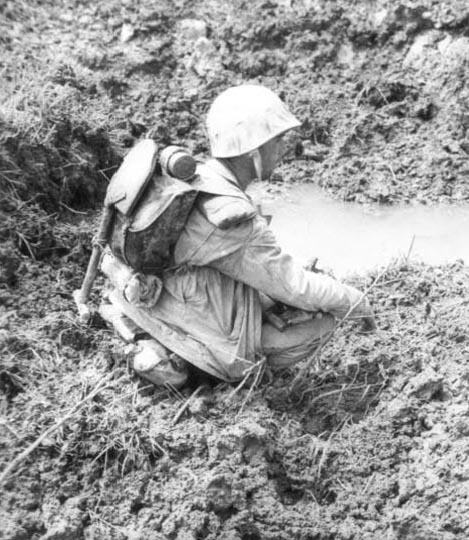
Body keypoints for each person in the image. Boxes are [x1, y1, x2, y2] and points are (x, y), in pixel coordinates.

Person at [107, 84, 376, 387]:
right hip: (183, 317)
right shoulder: (232, 217)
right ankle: (201, 366)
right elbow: (295, 287)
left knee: (280, 295)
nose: (283, 149)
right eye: (277, 142)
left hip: (156, 297)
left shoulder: (199, 178)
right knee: (323, 323)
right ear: (254, 154)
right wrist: (357, 303)